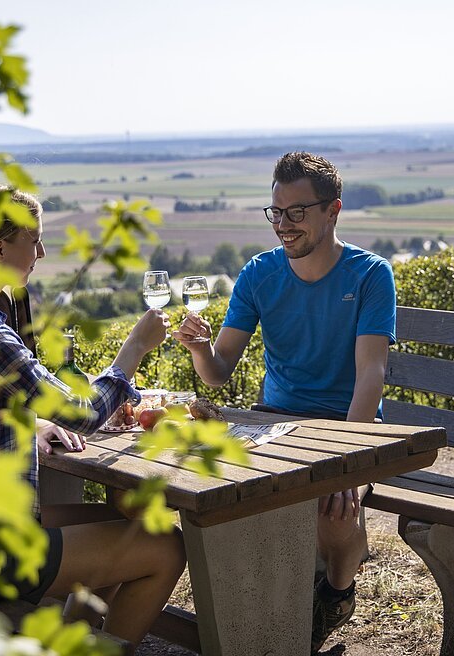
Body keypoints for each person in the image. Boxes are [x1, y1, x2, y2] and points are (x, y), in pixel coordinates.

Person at [0, 185, 186, 646]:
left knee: (122, 524)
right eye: (34, 239)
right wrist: (132, 350)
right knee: (166, 547)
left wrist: (28, 423)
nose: (42, 251)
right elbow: (84, 416)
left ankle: (73, 641)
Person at [172, 152, 396, 653]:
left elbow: (371, 373)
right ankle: (244, 611)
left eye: (297, 212)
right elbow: (217, 372)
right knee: (204, 479)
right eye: (276, 212)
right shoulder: (258, 274)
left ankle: (338, 589)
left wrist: (348, 462)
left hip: (345, 425)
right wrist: (199, 349)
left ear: (332, 211)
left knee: (334, 507)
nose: (284, 225)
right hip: (274, 421)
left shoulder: (369, 275)